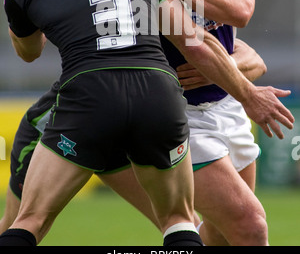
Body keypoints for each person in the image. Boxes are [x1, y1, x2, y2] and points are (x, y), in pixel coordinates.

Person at [2, 0, 292, 247]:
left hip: (89, 97)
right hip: (157, 96)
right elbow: (195, 41)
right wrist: (250, 95)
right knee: (181, 221)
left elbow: (29, 53)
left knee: (30, 221)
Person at [127, 0, 288, 246]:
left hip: (228, 106)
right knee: (251, 226)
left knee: (218, 234)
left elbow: (240, 11)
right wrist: (246, 72)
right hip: (174, 113)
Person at [0, 37, 263, 237]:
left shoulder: (175, 15)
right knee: (20, 226)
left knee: (187, 228)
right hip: (71, 121)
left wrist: (221, 67)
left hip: (139, 124)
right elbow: (30, 47)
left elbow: (253, 60)